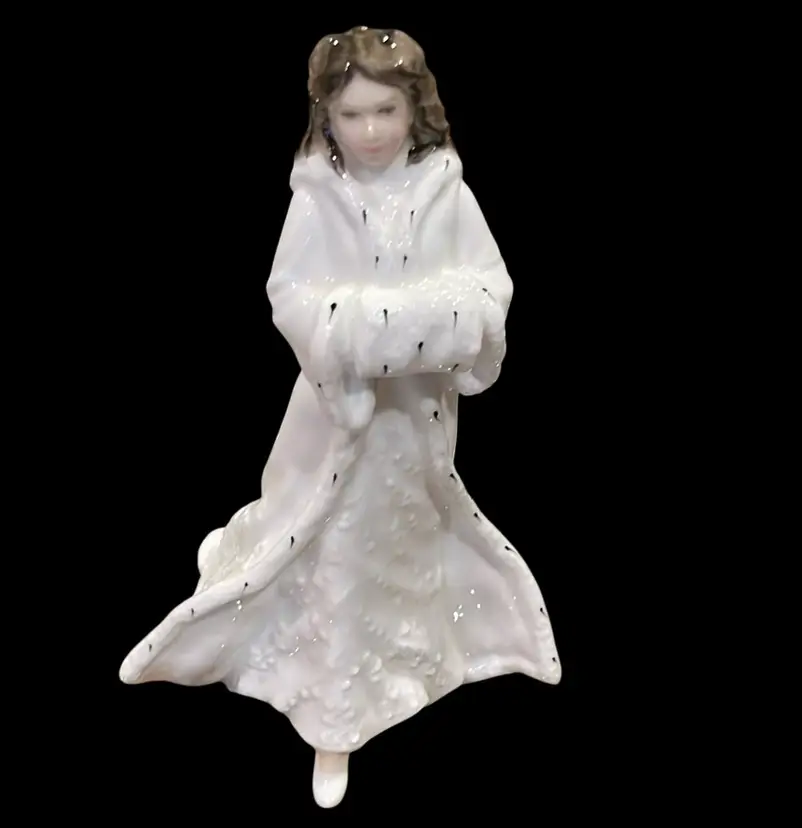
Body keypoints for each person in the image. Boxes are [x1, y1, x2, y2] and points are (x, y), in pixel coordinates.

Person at [119, 26, 561, 809]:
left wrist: (442, 322)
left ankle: (412, 660)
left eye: (385, 110)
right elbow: (290, 295)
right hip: (338, 417)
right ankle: (336, 711)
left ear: (416, 108)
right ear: (326, 116)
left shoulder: (445, 191)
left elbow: (489, 287)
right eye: (351, 114)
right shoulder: (318, 194)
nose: (370, 130)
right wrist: (358, 331)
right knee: (336, 542)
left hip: (414, 420)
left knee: (407, 532)